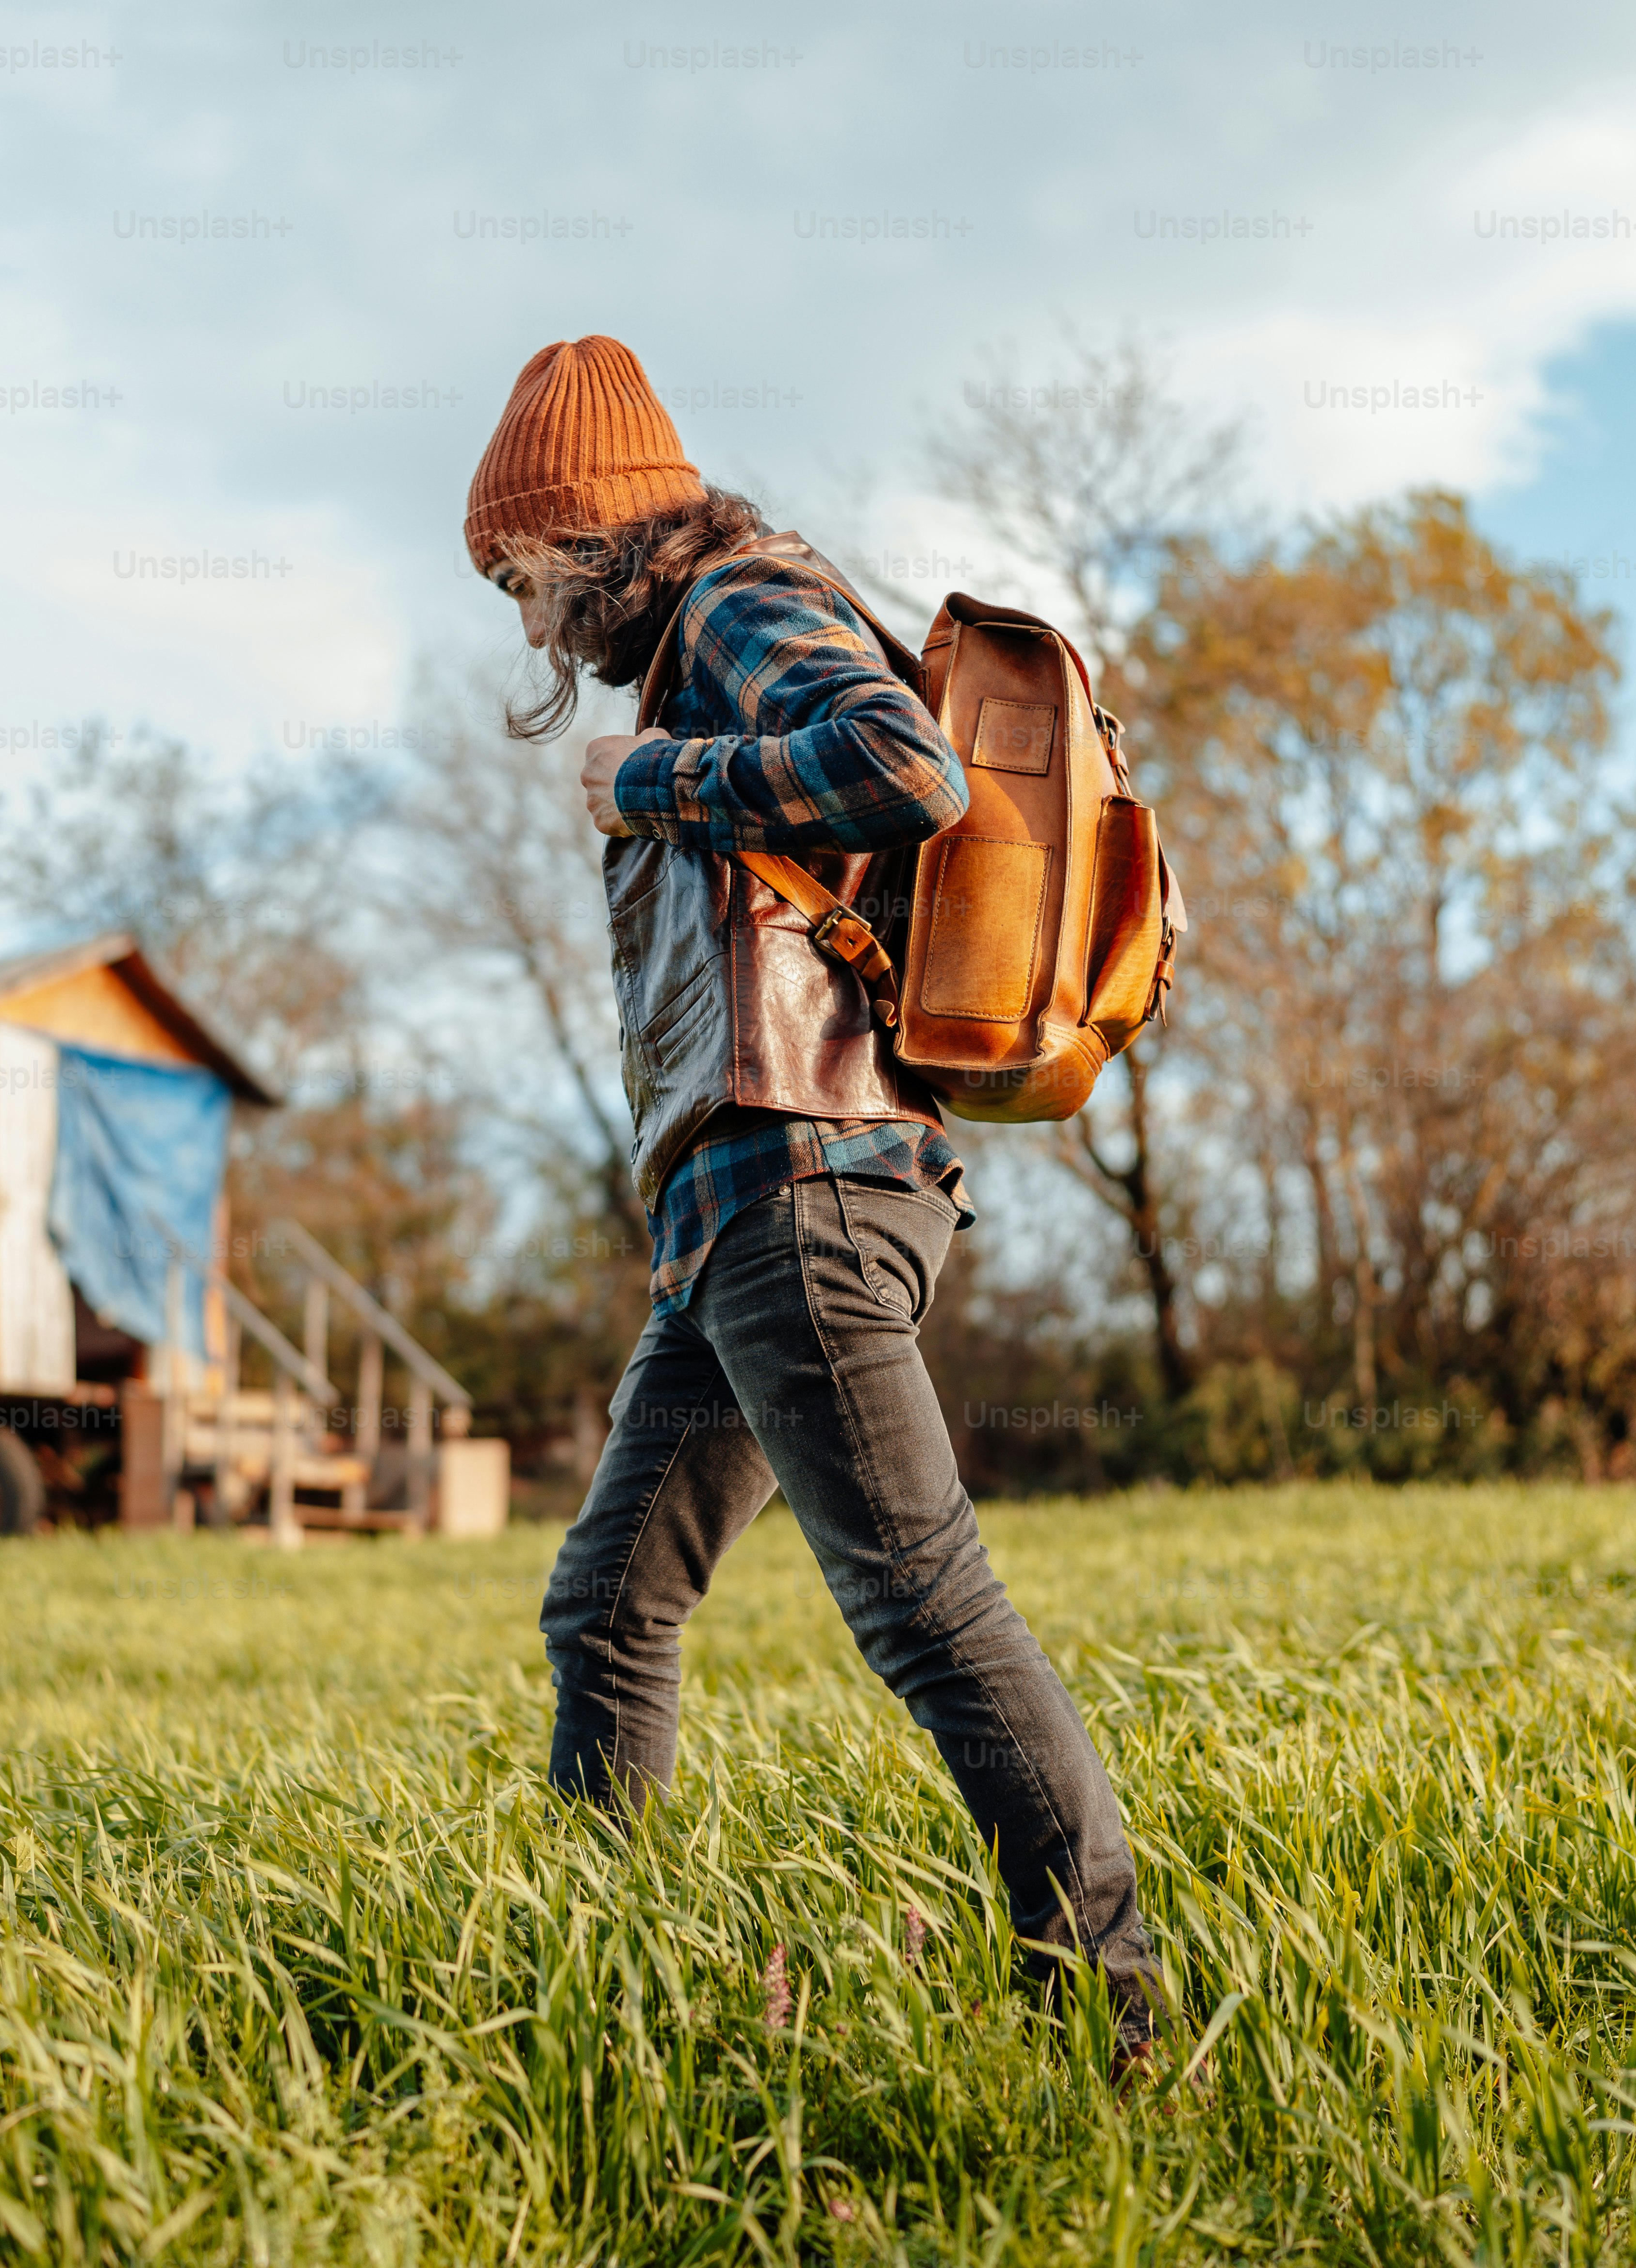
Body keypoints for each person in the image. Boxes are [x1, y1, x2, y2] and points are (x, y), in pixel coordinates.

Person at [468, 335, 1159, 2050]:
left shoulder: (734, 599)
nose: (529, 622)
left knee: (921, 1601)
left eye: (525, 579)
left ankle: (1120, 2016)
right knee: (610, 1604)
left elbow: (905, 768)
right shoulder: (695, 640)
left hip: (807, 1188)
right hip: (740, 1218)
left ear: (586, 539)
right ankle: (596, 1999)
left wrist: (650, 783)